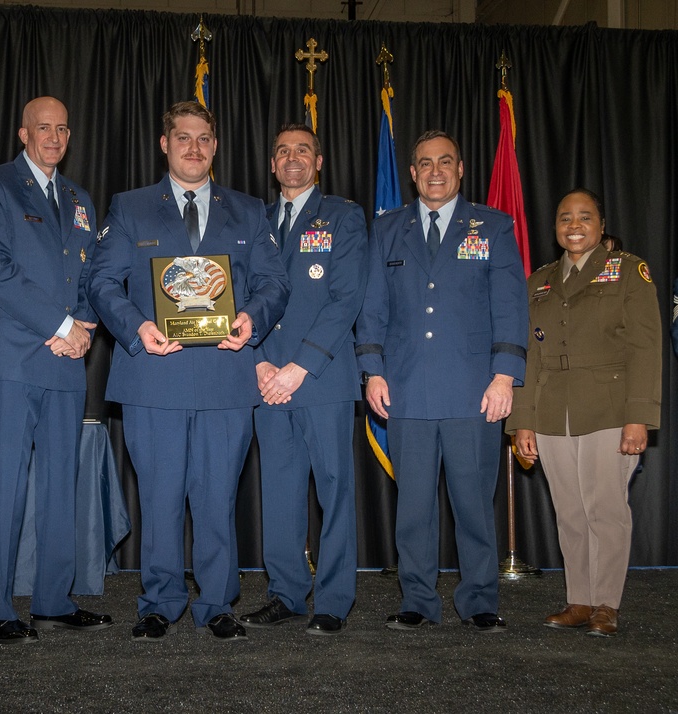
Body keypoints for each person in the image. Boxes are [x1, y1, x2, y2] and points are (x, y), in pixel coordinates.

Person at [87, 101, 290, 642]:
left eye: (203, 138)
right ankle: (158, 601)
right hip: (154, 377)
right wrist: (135, 328)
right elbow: (101, 283)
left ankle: (218, 603)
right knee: (158, 497)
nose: (193, 148)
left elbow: (276, 283)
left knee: (218, 496)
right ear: (164, 144)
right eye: (182, 138)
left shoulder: (248, 210)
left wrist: (252, 317)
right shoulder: (129, 208)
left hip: (226, 378)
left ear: (216, 146)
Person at [355, 129, 528, 633]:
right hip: (405, 388)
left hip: (473, 388)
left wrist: (504, 376)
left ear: (460, 169)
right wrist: (373, 370)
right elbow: (372, 309)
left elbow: (511, 306)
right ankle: (417, 600)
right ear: (412, 173)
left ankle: (478, 600)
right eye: (425, 163)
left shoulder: (492, 226)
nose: (435, 171)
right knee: (412, 508)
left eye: (445, 162)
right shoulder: (388, 228)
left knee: (473, 502)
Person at [0, 96, 108, 645]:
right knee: (5, 484)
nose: (53, 137)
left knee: (60, 484)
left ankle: (52, 599)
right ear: (23, 133)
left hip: (69, 360)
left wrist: (87, 327)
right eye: (43, 128)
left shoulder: (78, 198)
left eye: (62, 128)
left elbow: (93, 274)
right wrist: (59, 325)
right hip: (19, 358)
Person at [509, 189, 661, 637]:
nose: (574, 225)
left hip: (609, 410)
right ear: (555, 228)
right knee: (569, 510)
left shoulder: (629, 271)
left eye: (584, 217)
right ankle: (579, 599)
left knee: (605, 509)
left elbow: (646, 348)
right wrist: (522, 421)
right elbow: (529, 357)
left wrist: (640, 417)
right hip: (554, 411)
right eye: (564, 218)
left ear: (600, 223)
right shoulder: (539, 281)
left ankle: (606, 604)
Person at [239, 124, 367, 636]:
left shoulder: (344, 216)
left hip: (322, 377)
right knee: (281, 490)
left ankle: (334, 599)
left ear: (319, 161)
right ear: (273, 164)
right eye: (283, 152)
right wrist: (260, 362)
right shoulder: (256, 220)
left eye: (303, 151)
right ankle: (287, 593)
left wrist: (299, 367)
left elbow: (346, 300)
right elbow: (243, 297)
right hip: (268, 379)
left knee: (335, 490)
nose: (293, 159)